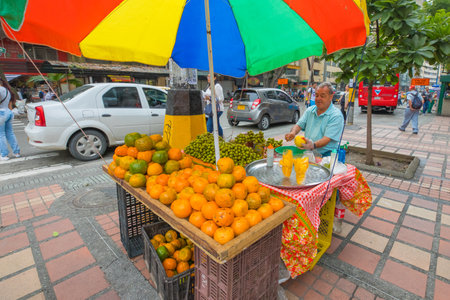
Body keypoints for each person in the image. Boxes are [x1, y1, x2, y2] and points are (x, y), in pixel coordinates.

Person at [285, 82, 344, 157]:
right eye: (316, 95)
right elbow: (299, 125)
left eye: (322, 96)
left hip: (327, 156)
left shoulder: (336, 115)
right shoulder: (310, 110)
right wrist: (293, 133)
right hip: (310, 153)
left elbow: (327, 139)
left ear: (331, 97)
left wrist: (313, 145)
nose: (318, 98)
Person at [0, 80, 21, 161]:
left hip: (1, 113)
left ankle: (4, 154)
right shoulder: (7, 90)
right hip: (8, 112)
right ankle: (16, 152)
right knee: (10, 133)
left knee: (1, 135)